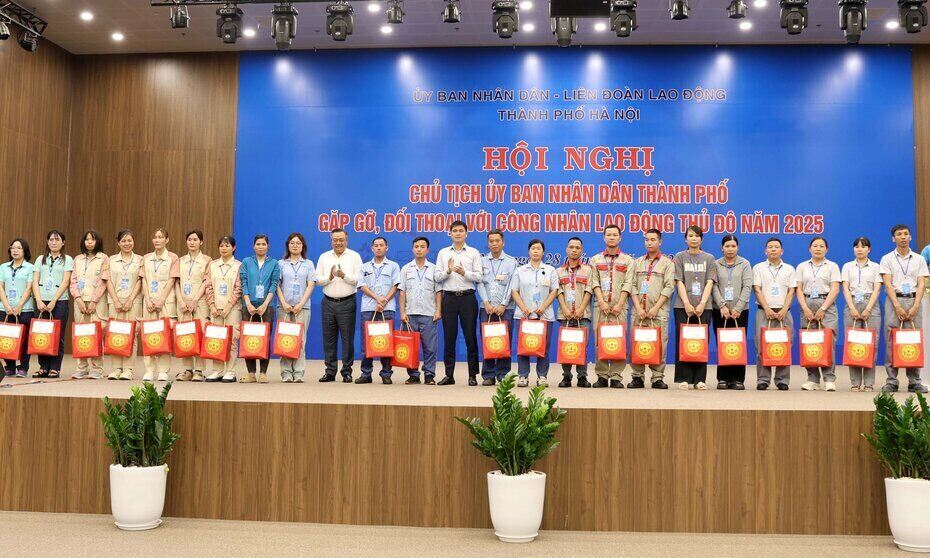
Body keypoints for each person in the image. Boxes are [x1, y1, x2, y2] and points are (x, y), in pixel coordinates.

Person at [879, 224, 929, 393]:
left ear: (910, 237)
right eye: (899, 234)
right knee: (891, 340)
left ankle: (914, 381)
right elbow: (887, 284)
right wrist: (897, 306)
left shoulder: (919, 259)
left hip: (914, 301)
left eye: (906, 234)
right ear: (893, 238)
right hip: (895, 302)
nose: (903, 237)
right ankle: (891, 380)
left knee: (913, 339)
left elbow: (922, 283)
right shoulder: (887, 259)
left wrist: (916, 305)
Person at [435, 220, 483, 386]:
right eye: (454, 230)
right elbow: (437, 277)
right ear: (450, 233)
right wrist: (448, 270)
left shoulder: (473, 253)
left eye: (461, 230)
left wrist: (464, 272)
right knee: (449, 338)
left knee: (470, 337)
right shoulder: (443, 253)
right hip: (449, 298)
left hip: (468, 298)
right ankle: (449, 375)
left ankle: (472, 375)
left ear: (466, 233)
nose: (457, 233)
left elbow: (479, 276)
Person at [589, 225, 635, 388]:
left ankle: (616, 376)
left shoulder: (628, 260)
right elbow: (594, 281)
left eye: (615, 235)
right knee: (599, 340)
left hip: (620, 307)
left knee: (618, 340)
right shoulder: (595, 260)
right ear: (604, 237)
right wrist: (601, 301)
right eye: (608, 234)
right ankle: (601, 375)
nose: (612, 237)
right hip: (599, 306)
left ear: (620, 238)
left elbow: (629, 283)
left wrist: (620, 303)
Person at [672, 226, 717, 390]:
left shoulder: (709, 258)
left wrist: (702, 304)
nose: (693, 239)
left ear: (701, 239)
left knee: (701, 342)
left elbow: (710, 282)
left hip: (704, 307)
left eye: (697, 236)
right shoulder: (680, 257)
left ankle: (699, 379)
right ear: (685, 239)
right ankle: (683, 378)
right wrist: (687, 304)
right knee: (683, 341)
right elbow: (679, 281)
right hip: (682, 306)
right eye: (690, 236)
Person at [316, 228, 362, 382]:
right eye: (335, 239)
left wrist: (344, 276)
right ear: (331, 240)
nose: (338, 242)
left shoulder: (354, 256)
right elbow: (318, 280)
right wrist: (329, 277)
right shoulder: (324, 257)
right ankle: (330, 371)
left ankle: (346, 372)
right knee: (328, 339)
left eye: (341, 239)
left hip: (347, 302)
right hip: (328, 302)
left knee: (347, 339)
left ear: (346, 240)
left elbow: (358, 279)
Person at [629, 229, 674, 389]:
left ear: (660, 242)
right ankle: (637, 377)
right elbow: (631, 285)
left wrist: (655, 307)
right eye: (647, 239)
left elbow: (669, 287)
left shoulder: (668, 263)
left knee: (660, 344)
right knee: (637, 342)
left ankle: (657, 377)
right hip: (639, 311)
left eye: (653, 240)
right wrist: (638, 307)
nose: (649, 242)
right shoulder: (637, 262)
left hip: (659, 311)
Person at [796, 237, 842, 392]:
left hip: (826, 305)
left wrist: (823, 308)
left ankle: (829, 378)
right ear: (809, 249)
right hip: (807, 304)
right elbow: (799, 289)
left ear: (827, 249)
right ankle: (813, 379)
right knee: (810, 343)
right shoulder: (802, 266)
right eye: (815, 246)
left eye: (822, 246)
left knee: (828, 343)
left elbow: (835, 289)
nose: (818, 248)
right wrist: (805, 309)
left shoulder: (832, 266)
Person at [511, 239, 559, 387]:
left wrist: (543, 307)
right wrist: (524, 308)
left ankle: (542, 376)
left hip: (544, 315)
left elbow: (554, 291)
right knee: (523, 346)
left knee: (544, 346)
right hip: (524, 314)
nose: (536, 251)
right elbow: (514, 291)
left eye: (538, 248)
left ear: (543, 252)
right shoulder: (520, 270)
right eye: (533, 248)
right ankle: (523, 376)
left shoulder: (550, 270)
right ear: (528, 251)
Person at [752, 237, 797, 391]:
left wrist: (784, 308)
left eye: (776, 247)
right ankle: (763, 379)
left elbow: (792, 290)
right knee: (761, 347)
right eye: (770, 247)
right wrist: (767, 308)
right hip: (764, 312)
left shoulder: (790, 269)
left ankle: (782, 380)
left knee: (784, 346)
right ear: (765, 251)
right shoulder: (758, 268)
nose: (773, 249)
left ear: (782, 251)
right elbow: (757, 289)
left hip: (784, 312)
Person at [398, 237, 442, 384]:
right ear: (412, 249)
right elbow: (402, 292)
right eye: (416, 246)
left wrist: (438, 311)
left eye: (422, 246)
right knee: (411, 346)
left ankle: (429, 375)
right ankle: (413, 375)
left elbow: (438, 292)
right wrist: (402, 312)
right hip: (410, 314)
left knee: (430, 347)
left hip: (429, 314)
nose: (419, 249)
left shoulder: (434, 269)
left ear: (427, 250)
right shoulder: (406, 268)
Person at [711, 234, 752, 390]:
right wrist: (722, 305)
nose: (730, 249)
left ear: (738, 247)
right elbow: (713, 286)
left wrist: (738, 308)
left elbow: (747, 287)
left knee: (737, 344)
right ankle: (722, 378)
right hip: (720, 311)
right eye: (727, 246)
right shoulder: (715, 264)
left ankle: (737, 379)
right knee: (723, 344)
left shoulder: (745, 264)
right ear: (722, 248)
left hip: (740, 312)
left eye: (733, 246)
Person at [477, 229, 518, 386]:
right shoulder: (481, 261)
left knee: (504, 341)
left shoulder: (511, 261)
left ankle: (503, 374)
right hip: (485, 308)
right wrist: (486, 302)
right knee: (488, 341)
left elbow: (511, 285)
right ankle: (488, 375)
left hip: (505, 309)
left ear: (503, 242)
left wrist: (503, 304)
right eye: (491, 241)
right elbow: (479, 282)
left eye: (497, 241)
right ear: (488, 243)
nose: (494, 243)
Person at [139, 228, 180, 382]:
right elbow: (143, 279)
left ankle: (163, 370)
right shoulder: (146, 258)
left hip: (166, 301)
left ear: (167, 240)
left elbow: (172, 280)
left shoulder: (173, 257)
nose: (157, 240)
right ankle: (149, 370)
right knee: (149, 334)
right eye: (155, 237)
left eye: (161, 237)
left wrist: (162, 299)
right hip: (149, 301)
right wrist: (148, 298)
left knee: (164, 335)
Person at [841, 237, 882, 392]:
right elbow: (845, 288)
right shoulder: (847, 266)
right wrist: (851, 307)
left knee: (871, 344)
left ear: (869, 249)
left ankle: (869, 383)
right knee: (853, 343)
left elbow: (877, 288)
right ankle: (855, 382)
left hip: (870, 303)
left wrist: (868, 309)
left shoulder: (876, 267)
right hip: (852, 304)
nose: (860, 249)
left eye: (863, 247)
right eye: (856, 246)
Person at [357, 237, 400, 384]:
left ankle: (386, 373)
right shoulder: (364, 267)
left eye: (381, 245)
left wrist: (385, 301)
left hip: (387, 309)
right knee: (366, 342)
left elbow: (395, 286)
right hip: (368, 308)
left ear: (386, 248)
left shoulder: (393, 266)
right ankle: (366, 374)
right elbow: (361, 285)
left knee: (386, 342)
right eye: (376, 245)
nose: (379, 248)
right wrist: (377, 299)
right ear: (372, 248)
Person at [239, 234, 280, 384]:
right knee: (248, 339)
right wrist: (248, 303)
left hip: (266, 306)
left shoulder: (274, 263)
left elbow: (274, 285)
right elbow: (243, 283)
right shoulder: (246, 262)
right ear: (253, 246)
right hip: (248, 306)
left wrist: (264, 305)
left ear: (268, 246)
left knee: (264, 340)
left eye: (263, 244)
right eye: (258, 244)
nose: (261, 246)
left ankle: (263, 373)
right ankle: (251, 373)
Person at [31, 230, 72, 379]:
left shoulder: (67, 259)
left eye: (57, 239)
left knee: (57, 335)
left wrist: (54, 300)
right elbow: (35, 280)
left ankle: (55, 367)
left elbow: (65, 282)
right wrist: (39, 300)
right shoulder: (40, 259)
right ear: (47, 242)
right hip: (41, 301)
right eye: (51, 239)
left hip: (59, 301)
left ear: (63, 242)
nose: (54, 242)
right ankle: (43, 367)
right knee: (42, 334)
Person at [69, 230, 109, 380]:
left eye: (92, 239)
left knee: (96, 334)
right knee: (81, 334)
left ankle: (97, 368)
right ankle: (82, 367)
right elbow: (73, 280)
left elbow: (103, 281)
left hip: (97, 302)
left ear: (97, 241)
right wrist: (78, 298)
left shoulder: (103, 258)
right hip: (80, 302)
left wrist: (94, 301)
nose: (90, 242)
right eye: (87, 240)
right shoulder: (78, 259)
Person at [276, 233, 315, 383]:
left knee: (300, 341)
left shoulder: (308, 264)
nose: (295, 245)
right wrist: (284, 303)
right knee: (285, 340)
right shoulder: (281, 263)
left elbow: (311, 284)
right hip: (284, 307)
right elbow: (277, 285)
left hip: (302, 307)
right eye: (292, 243)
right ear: (288, 245)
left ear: (303, 246)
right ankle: (286, 372)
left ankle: (298, 373)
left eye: (298, 243)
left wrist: (301, 303)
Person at [105, 229, 143, 380]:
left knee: (131, 334)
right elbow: (107, 280)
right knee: (115, 333)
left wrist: (130, 300)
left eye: (130, 240)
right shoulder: (111, 259)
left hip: (133, 302)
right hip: (115, 301)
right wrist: (115, 299)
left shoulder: (140, 260)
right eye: (124, 241)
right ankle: (116, 368)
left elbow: (140, 281)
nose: (127, 244)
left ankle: (128, 369)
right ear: (118, 243)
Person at [556, 237, 593, 388]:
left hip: (582, 315)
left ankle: (582, 377)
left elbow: (589, 290)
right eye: (571, 247)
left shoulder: (588, 270)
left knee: (581, 346)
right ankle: (566, 377)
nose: (574, 250)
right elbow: (558, 291)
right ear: (566, 249)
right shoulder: (559, 271)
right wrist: (565, 308)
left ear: (581, 251)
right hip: (565, 315)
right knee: (566, 346)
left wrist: (581, 308)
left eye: (577, 248)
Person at [204, 235, 242, 383]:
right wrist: (212, 305)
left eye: (227, 245)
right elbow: (208, 286)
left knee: (232, 340)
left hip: (232, 309)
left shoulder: (239, 265)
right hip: (215, 309)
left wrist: (228, 306)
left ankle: (230, 371)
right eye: (221, 245)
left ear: (234, 248)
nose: (224, 248)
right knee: (216, 339)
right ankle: (217, 370)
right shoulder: (212, 265)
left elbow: (239, 288)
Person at [175, 230, 212, 382]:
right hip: (183, 304)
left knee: (200, 335)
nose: (192, 242)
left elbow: (206, 282)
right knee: (186, 335)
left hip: (200, 304)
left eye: (195, 239)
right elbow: (176, 282)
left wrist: (195, 300)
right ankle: (187, 369)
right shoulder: (180, 260)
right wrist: (181, 301)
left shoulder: (207, 260)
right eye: (189, 239)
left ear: (201, 242)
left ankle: (199, 370)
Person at [0, 239, 35, 377]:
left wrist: (19, 305)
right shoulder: (3, 267)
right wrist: (7, 305)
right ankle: (9, 366)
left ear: (24, 251)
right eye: (13, 248)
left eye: (18, 248)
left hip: (25, 308)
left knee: (24, 339)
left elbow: (29, 287)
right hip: (5, 308)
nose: (15, 250)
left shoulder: (30, 268)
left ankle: (23, 367)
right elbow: (1, 287)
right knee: (7, 337)